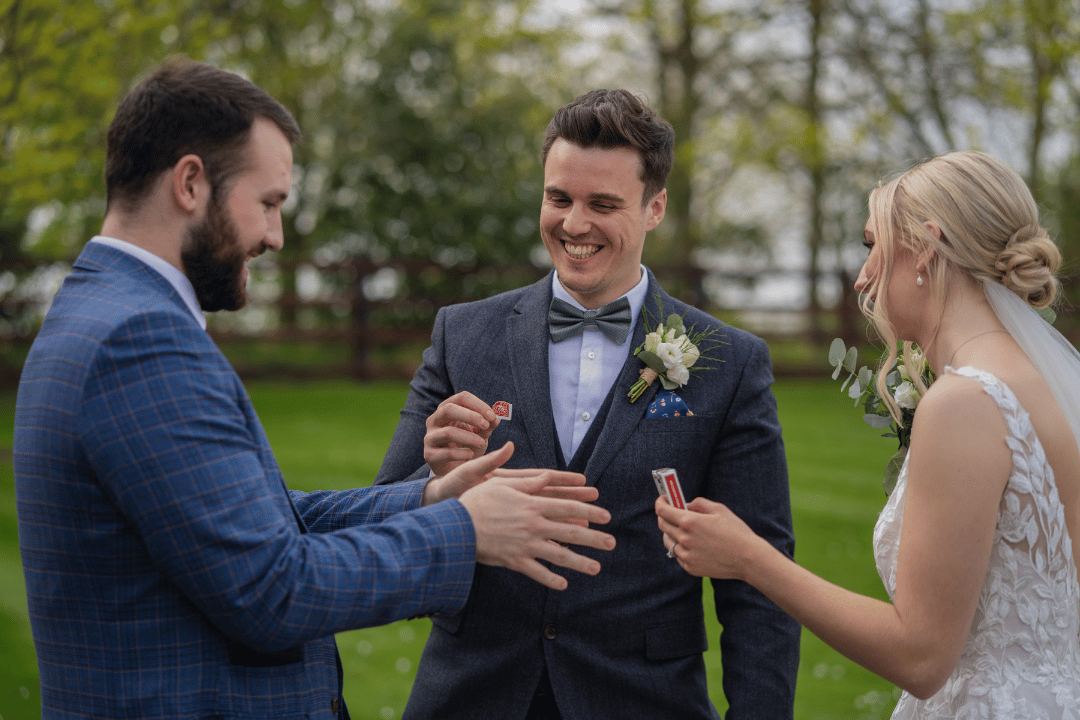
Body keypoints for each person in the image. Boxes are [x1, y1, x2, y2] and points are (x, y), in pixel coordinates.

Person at [13, 57, 617, 720]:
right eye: (268, 203)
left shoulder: (96, 312)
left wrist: (429, 497)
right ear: (190, 183)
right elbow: (271, 590)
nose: (274, 236)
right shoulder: (139, 341)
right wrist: (464, 530)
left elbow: (252, 524)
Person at [374, 89, 800, 719]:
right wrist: (435, 483)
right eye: (559, 199)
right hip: (473, 697)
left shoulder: (728, 362)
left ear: (655, 208)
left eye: (603, 204)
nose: (574, 225)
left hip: (644, 701)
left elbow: (760, 582)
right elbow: (376, 531)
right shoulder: (461, 335)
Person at [657, 150, 1080, 717]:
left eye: (871, 245)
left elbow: (921, 657)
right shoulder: (1042, 384)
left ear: (925, 247)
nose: (862, 277)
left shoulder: (966, 402)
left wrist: (750, 558)